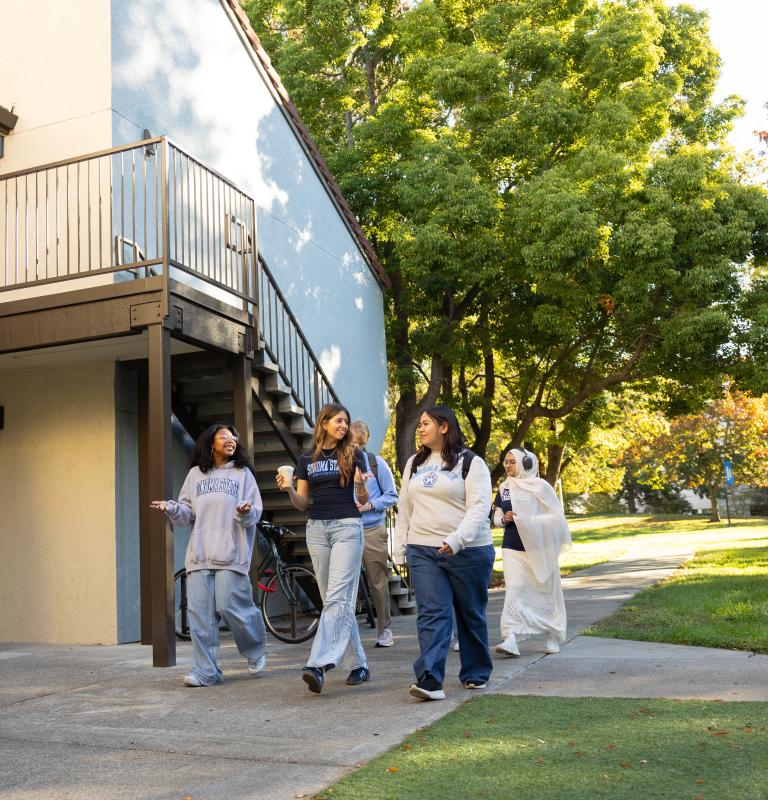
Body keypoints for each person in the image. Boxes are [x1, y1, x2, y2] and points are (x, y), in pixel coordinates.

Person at [151, 423, 266, 687]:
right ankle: (206, 671)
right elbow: (187, 514)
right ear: (210, 442)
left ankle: (255, 647)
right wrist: (171, 508)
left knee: (229, 605)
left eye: (233, 436)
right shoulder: (195, 475)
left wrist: (245, 511)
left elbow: (252, 515)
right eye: (224, 436)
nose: (231, 440)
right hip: (200, 554)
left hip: (231, 552)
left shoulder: (242, 474)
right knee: (200, 615)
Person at [393, 405, 495, 701]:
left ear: (444, 427)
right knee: (432, 613)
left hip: (468, 550)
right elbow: (404, 509)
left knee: (470, 614)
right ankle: (430, 678)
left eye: (425, 424)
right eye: (420, 424)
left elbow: (479, 508)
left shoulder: (470, 462)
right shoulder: (414, 463)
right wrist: (402, 548)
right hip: (423, 549)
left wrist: (458, 539)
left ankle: (475, 671)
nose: (420, 429)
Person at [276, 403, 371, 694]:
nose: (344, 425)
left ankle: (318, 664)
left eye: (346, 421)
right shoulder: (307, 459)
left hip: (347, 527)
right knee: (334, 600)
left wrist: (359, 484)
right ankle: (358, 665)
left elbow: (362, 498)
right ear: (324, 423)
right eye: (339, 421)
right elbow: (303, 503)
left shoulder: (356, 455)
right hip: (317, 529)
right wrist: (289, 490)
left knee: (338, 598)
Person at [494, 448, 571, 657]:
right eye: (506, 462)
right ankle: (510, 637)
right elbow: (496, 518)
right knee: (514, 590)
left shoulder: (541, 487)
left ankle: (551, 634)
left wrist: (532, 521)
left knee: (545, 590)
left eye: (512, 462)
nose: (508, 465)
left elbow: (556, 518)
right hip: (512, 547)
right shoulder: (504, 488)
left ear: (525, 463)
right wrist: (504, 519)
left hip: (540, 548)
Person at [349, 420, 399, 648]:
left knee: (377, 582)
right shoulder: (341, 465)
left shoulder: (376, 464)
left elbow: (392, 495)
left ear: (364, 441)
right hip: (346, 529)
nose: (354, 447)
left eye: (358, 442)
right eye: (351, 442)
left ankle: (385, 630)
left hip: (371, 529)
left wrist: (371, 505)